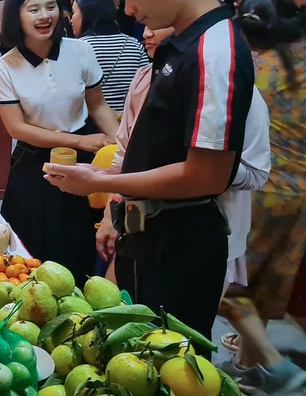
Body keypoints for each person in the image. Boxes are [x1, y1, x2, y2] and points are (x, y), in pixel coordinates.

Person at [44, 0, 254, 344]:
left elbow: (207, 174)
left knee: (168, 365)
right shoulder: (183, 45)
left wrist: (102, 182)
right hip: (150, 238)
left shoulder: (216, 48)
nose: (128, 10)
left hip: (181, 246)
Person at [96, 24, 270, 291]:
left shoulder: (232, 88)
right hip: (138, 227)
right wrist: (111, 214)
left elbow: (257, 173)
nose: (146, 32)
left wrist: (200, 162)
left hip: (203, 236)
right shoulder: (144, 78)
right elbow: (124, 156)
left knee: (177, 328)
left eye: (158, 21)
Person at [0, 0, 119, 282]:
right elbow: (18, 128)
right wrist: (79, 141)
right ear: (16, 16)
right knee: (26, 257)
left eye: (51, 6)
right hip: (34, 168)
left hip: (82, 167)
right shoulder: (5, 66)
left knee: (76, 252)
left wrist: (122, 152)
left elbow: (99, 107)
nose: (44, 16)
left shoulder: (81, 51)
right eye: (33, 9)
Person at [218, 0, 306, 393]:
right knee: (269, 282)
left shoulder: (250, 68)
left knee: (228, 279)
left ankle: (272, 363)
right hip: (300, 195)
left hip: (258, 190)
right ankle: (249, 359)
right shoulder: (300, 62)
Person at [70, 0, 149, 113]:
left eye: (74, 12)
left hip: (90, 122)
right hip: (128, 121)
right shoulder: (134, 44)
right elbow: (146, 86)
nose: (71, 19)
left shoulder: (77, 48)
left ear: (87, 15)